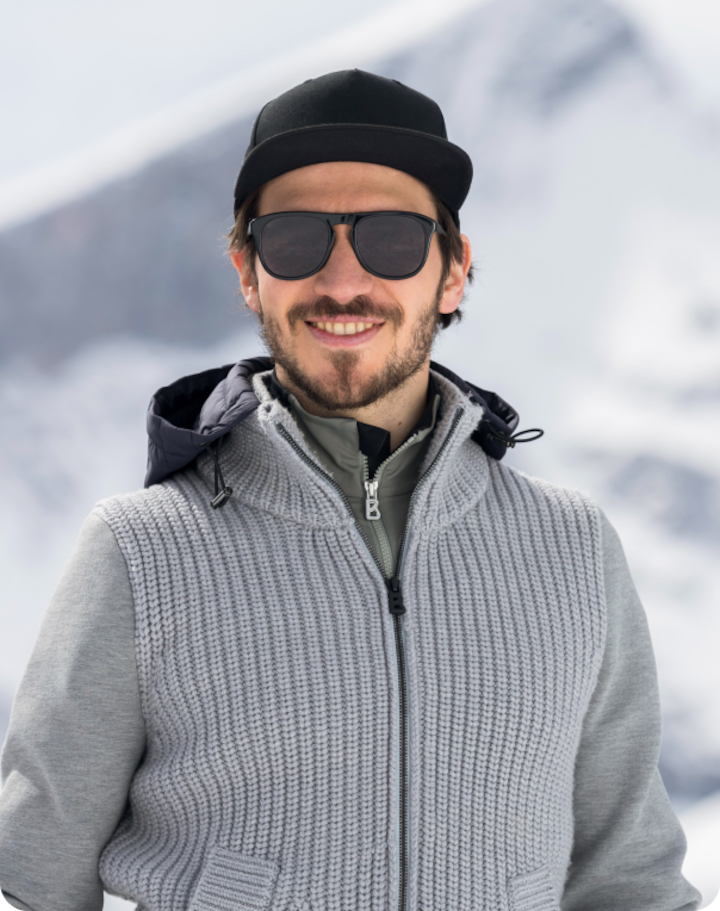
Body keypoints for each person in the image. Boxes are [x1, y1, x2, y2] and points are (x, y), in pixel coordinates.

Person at [0, 69, 700, 911]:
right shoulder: (141, 552)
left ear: (452, 271)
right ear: (248, 270)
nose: (341, 282)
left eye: (393, 240)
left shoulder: (571, 549)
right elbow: (29, 874)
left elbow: (631, 880)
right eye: (295, 240)